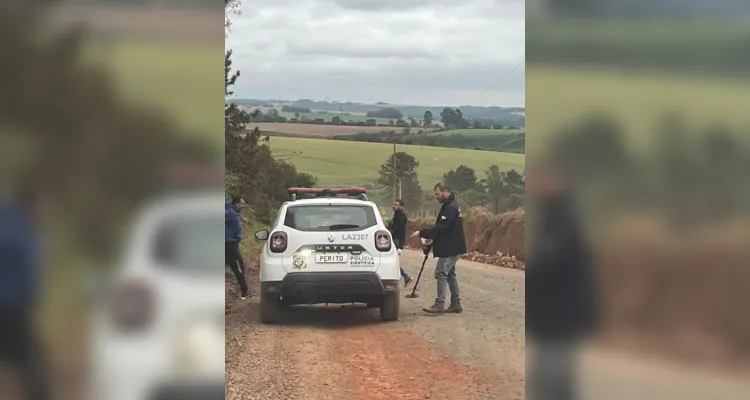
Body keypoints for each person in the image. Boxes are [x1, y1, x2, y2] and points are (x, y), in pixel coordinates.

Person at [525, 160, 598, 400]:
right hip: (555, 314)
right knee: (553, 382)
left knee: (550, 381)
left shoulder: (564, 219)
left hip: (560, 314)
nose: (534, 185)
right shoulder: (554, 216)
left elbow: (549, 265)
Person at [0, 189, 50, 400]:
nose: (45, 212)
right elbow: (28, 270)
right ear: (30, 206)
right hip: (10, 308)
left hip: (14, 307)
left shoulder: (18, 228)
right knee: (32, 361)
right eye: (42, 206)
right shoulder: (17, 232)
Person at [412, 183, 467, 314]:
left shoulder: (451, 207)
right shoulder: (450, 205)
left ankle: (439, 304)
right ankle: (455, 303)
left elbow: (442, 227)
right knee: (450, 274)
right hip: (453, 246)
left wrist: (423, 233)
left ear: (446, 191)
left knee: (441, 273)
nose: (436, 197)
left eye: (438, 194)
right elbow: (443, 228)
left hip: (450, 247)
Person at [225, 196, 249, 299]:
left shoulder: (228, 210)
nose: (243, 206)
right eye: (241, 204)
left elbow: (228, 204)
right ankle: (244, 291)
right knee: (239, 266)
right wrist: (238, 238)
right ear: (236, 204)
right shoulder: (233, 215)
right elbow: (238, 229)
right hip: (231, 244)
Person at [387, 199, 413, 287]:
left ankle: (405, 277)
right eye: (393, 204)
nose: (394, 206)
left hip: (396, 241)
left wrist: (400, 246)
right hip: (394, 240)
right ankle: (405, 277)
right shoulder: (396, 215)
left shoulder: (401, 216)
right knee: (391, 261)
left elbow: (400, 232)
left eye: (396, 205)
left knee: (391, 261)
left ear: (401, 206)